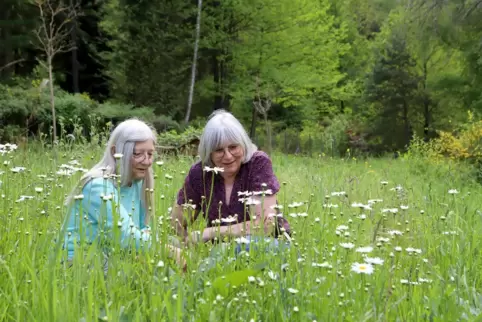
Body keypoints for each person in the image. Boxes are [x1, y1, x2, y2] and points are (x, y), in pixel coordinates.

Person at [61, 118, 184, 269]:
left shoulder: (137, 182)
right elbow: (124, 236)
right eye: (138, 153)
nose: (146, 161)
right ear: (115, 152)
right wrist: (168, 251)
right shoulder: (98, 186)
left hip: (114, 252)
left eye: (150, 154)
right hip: (82, 259)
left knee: (173, 242)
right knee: (153, 267)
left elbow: (143, 228)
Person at [171, 110, 291, 249]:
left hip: (267, 247)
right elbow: (176, 224)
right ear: (209, 153)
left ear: (243, 144)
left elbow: (265, 226)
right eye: (219, 150)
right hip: (221, 252)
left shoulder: (257, 164)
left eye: (233, 147)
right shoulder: (200, 173)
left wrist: (211, 232)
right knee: (169, 244)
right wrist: (187, 244)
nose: (228, 156)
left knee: (241, 247)